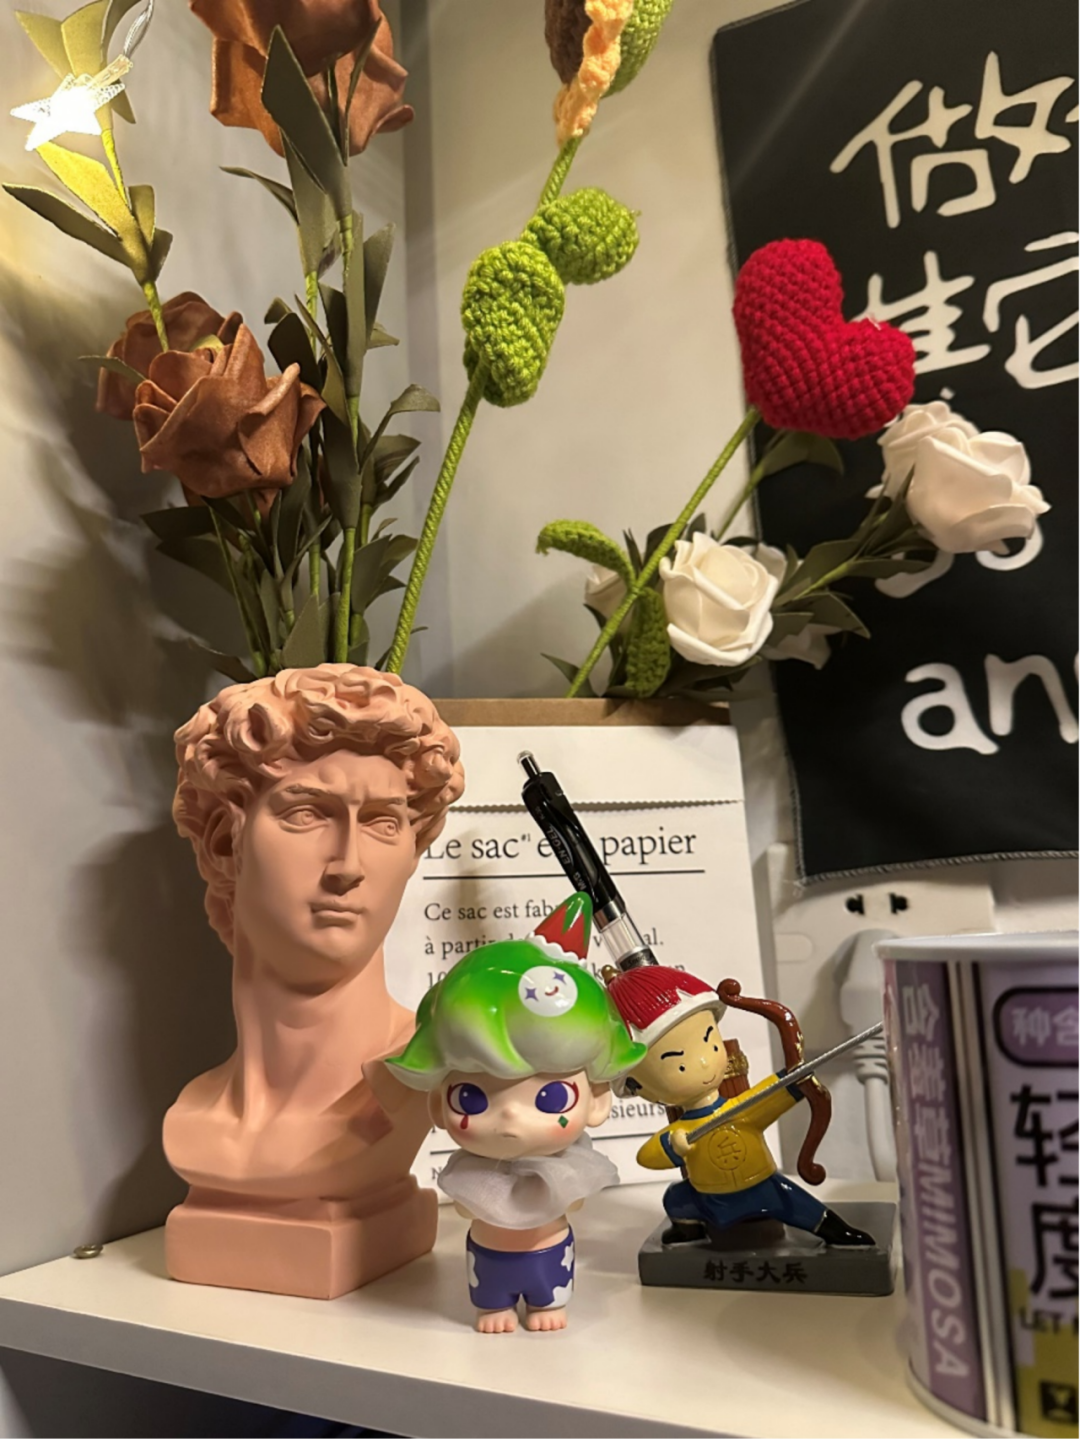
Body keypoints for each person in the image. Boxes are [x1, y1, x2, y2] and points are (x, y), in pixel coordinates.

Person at [386, 893, 646, 1332]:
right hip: (489, 1253)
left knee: (551, 1285)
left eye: (551, 1098)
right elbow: (468, 1209)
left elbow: (572, 1200)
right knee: (489, 1286)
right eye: (471, 1098)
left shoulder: (569, 1170)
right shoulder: (470, 1174)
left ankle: (546, 1303)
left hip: (549, 1247)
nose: (509, 1118)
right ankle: (493, 1305)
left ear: (598, 1100)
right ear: (437, 1103)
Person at [606, 964, 874, 1248]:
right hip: (707, 1195)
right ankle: (688, 1230)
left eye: (711, 1044)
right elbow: (647, 1156)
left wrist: (795, 1081)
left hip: (761, 1184)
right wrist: (673, 1145)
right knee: (676, 1198)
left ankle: (836, 1232)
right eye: (678, 1063)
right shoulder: (682, 1131)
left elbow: (778, 1092)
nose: (703, 1062)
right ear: (639, 1087)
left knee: (795, 1200)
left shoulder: (744, 1109)